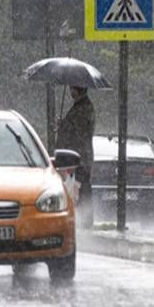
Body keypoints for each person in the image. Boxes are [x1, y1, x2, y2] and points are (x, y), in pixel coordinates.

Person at [55, 85, 95, 226]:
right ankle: (80, 219)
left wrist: (65, 125)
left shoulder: (84, 108)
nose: (70, 91)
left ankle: (84, 220)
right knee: (76, 188)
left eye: (73, 88)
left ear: (79, 90)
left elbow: (79, 131)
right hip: (76, 156)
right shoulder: (79, 106)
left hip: (79, 157)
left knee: (81, 188)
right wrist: (64, 124)